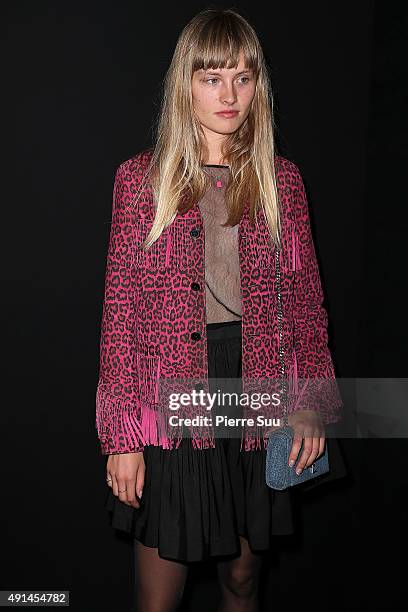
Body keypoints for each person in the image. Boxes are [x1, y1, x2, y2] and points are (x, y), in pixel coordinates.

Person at [95, 7, 344, 612]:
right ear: (185, 84)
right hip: (171, 393)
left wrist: (309, 402)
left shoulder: (281, 181)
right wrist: (123, 436)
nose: (230, 93)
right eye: (212, 77)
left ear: (258, 84)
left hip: (255, 387)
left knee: (241, 578)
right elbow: (121, 316)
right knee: (159, 595)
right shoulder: (140, 181)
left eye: (243, 76)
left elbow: (307, 305)